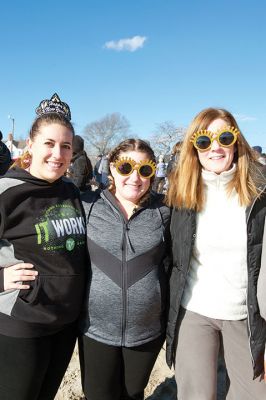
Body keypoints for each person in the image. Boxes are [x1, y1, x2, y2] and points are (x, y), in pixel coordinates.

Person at [166, 107, 266, 399]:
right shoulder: (180, 192)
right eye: (204, 140)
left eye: (224, 136)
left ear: (236, 141)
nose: (215, 147)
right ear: (194, 147)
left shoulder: (259, 192)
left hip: (246, 313)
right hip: (195, 309)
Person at [0, 93, 87, 400]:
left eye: (65, 146)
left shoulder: (71, 191)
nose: (57, 153)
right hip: (22, 321)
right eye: (49, 143)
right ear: (31, 144)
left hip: (66, 324)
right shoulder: (7, 191)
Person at [79, 138, 171, 400]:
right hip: (95, 329)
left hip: (146, 331)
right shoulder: (86, 205)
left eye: (144, 170)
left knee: (132, 394)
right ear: (111, 169)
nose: (134, 177)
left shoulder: (165, 210)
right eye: (126, 167)